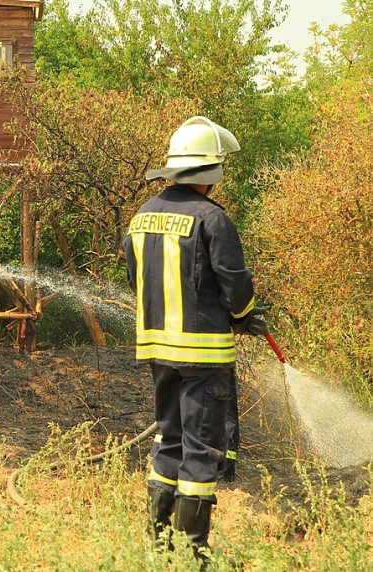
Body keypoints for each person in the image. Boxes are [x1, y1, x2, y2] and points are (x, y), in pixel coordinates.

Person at [123, 116, 267, 563]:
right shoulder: (212, 218)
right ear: (210, 170)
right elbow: (235, 283)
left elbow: (135, 278)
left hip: (157, 350)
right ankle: (194, 556)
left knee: (169, 440)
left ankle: (160, 549)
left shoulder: (142, 216)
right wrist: (245, 316)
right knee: (202, 450)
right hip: (204, 355)